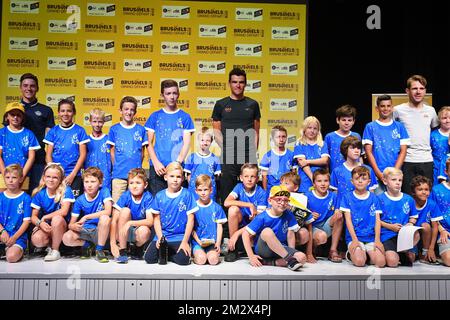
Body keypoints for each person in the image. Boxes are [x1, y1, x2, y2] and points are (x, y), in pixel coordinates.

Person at [212, 68, 261, 204]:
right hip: (228, 156)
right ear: (229, 83)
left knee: (250, 191)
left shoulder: (253, 105)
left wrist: (253, 152)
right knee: (227, 192)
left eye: (241, 82)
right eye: (234, 82)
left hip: (247, 155)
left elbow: (256, 131)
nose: (238, 85)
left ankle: (251, 224)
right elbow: (216, 132)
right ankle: (227, 225)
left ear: (245, 84)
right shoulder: (220, 104)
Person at [145, 80, 195, 196]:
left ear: (178, 94)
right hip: (158, 168)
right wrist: (156, 162)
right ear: (162, 95)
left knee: (178, 203)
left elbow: (186, 143)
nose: (172, 97)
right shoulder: (155, 116)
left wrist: (177, 163)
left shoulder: (185, 117)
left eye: (174, 93)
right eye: (168, 93)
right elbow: (148, 142)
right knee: (157, 202)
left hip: (177, 168)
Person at [143, 162, 199, 265]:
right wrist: (160, 238)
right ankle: (166, 251)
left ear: (182, 179)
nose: (175, 179)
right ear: (165, 177)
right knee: (149, 259)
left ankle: (170, 255)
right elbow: (156, 219)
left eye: (178, 176)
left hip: (180, 236)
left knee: (183, 260)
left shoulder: (187, 194)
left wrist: (185, 241)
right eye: (172, 176)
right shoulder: (159, 196)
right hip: (164, 236)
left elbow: (191, 220)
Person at [242, 185, 306, 270]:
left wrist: (292, 252)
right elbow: (245, 234)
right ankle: (289, 259)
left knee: (302, 257)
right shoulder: (262, 217)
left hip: (281, 249)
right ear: (270, 200)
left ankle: (268, 262)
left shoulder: (289, 214)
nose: (282, 203)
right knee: (267, 231)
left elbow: (290, 234)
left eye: (285, 200)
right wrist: (251, 256)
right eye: (278, 200)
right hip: (264, 250)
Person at [393, 75, 439, 193]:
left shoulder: (431, 111)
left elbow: (437, 132)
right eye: (414, 88)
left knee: (425, 196)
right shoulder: (398, 110)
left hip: (427, 160)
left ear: (425, 91)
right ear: (407, 91)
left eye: (421, 88)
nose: (418, 92)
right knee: (408, 196)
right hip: (407, 160)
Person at [62, 167, 112, 263]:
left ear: (100, 183)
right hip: (85, 230)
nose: (89, 185)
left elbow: (108, 211)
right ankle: (87, 245)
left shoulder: (104, 191)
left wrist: (86, 217)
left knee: (105, 218)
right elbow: (71, 224)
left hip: (100, 231)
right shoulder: (80, 200)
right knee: (66, 238)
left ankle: (99, 250)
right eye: (86, 182)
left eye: (93, 182)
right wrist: (73, 226)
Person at [363, 94, 410, 193]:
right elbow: (368, 152)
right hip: (377, 174)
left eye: (388, 106)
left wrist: (394, 173)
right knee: (379, 202)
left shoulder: (399, 127)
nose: (385, 108)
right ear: (377, 108)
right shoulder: (370, 127)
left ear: (392, 108)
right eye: (382, 106)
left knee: (394, 203)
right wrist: (379, 174)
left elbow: (403, 151)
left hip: (395, 175)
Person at [339, 166, 386, 267]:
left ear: (369, 182)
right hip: (355, 237)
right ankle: (355, 253)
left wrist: (377, 240)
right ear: (352, 181)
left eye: (363, 179)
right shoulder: (347, 197)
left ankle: (366, 254)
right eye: (357, 178)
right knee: (359, 262)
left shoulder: (374, 198)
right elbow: (348, 221)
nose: (360, 181)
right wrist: (354, 240)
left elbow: (377, 221)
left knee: (381, 263)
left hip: (371, 238)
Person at [17, 73, 55, 193]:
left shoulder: (46, 110)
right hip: (18, 160)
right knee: (17, 195)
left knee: (36, 194)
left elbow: (50, 139)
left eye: (32, 86)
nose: (28, 89)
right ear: (20, 87)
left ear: (37, 88)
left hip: (38, 160)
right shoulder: (14, 110)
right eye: (25, 85)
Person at [43, 99, 89, 197]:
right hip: (57, 176)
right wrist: (55, 173)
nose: (65, 113)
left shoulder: (80, 131)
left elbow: (83, 155)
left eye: (69, 111)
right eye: (63, 111)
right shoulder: (53, 131)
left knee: (72, 205)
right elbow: (48, 156)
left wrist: (72, 175)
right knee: (57, 203)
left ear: (74, 112)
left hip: (74, 175)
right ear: (58, 113)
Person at [30, 163, 75, 261]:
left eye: (55, 177)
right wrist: (40, 223)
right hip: (48, 227)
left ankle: (56, 250)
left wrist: (45, 217)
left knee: (56, 219)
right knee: (37, 239)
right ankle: (49, 246)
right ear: (43, 177)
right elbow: (33, 216)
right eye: (48, 176)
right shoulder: (40, 193)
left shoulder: (66, 190)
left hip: (62, 227)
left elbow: (64, 211)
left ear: (60, 179)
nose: (51, 180)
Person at [223, 163, 267, 262]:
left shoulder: (261, 193)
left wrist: (237, 234)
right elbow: (226, 202)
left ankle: (252, 247)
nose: (249, 179)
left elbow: (259, 221)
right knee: (232, 209)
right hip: (242, 225)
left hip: (254, 230)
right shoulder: (239, 187)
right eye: (246, 176)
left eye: (252, 176)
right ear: (241, 178)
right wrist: (249, 205)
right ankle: (233, 249)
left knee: (259, 222)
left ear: (257, 178)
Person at [107, 96, 148, 202]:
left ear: (135, 112)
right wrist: (118, 166)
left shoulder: (141, 129)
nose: (129, 112)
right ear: (120, 111)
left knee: (134, 206)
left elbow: (142, 153)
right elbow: (112, 152)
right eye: (126, 109)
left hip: (136, 177)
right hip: (119, 176)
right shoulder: (114, 129)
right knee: (116, 206)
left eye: (131, 110)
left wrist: (136, 168)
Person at [378, 167, 419, 267]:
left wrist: (410, 223)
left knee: (417, 234)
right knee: (392, 262)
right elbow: (376, 220)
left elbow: (414, 217)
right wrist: (390, 226)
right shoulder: (379, 199)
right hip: (387, 234)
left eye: (400, 180)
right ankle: (395, 253)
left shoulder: (408, 199)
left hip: (403, 235)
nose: (398, 183)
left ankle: (404, 251)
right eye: (394, 180)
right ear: (385, 181)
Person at [113, 168, 153, 264]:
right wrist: (112, 242)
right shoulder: (125, 196)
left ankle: (137, 248)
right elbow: (114, 220)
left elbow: (150, 221)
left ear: (145, 185)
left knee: (145, 231)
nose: (134, 186)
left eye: (138, 183)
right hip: (122, 231)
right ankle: (122, 250)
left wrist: (130, 222)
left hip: (137, 230)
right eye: (131, 183)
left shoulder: (148, 197)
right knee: (125, 211)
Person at [0, 102, 40, 192]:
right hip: (3, 175)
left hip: (23, 176)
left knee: (20, 201)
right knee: (3, 202)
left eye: (18, 115)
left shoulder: (29, 134)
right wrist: (5, 175)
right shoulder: (1, 133)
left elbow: (31, 157)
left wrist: (22, 176)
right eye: (12, 114)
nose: (15, 117)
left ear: (22, 117)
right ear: (7, 117)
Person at [305, 169, 343, 263]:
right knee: (321, 237)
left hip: (326, 225)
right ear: (314, 184)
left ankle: (333, 251)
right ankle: (311, 250)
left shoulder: (333, 196)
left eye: (325, 181)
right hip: (313, 227)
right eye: (319, 181)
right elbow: (302, 219)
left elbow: (337, 212)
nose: (323, 184)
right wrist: (309, 215)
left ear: (329, 183)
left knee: (339, 216)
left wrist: (338, 212)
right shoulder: (307, 196)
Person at [191, 175, 227, 265]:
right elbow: (191, 228)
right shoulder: (193, 207)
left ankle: (210, 255)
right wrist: (198, 241)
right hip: (198, 242)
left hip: (212, 243)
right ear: (196, 191)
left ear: (211, 190)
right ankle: (196, 256)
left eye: (205, 190)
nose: (203, 193)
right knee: (201, 260)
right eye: (200, 190)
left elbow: (219, 227)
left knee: (213, 260)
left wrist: (218, 243)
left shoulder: (217, 208)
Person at [0, 164, 31, 263]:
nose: (10, 180)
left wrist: (14, 237)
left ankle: (16, 250)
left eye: (14, 177)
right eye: (7, 177)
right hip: (2, 232)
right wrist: (2, 231)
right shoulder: (1, 197)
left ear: (21, 179)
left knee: (11, 257)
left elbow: (26, 222)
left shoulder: (26, 198)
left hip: (17, 235)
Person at [293, 116, 329, 193]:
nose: (312, 131)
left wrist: (307, 161)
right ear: (304, 129)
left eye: (315, 128)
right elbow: (303, 164)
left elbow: (325, 161)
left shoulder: (322, 144)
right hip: (305, 183)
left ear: (318, 130)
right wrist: (314, 179)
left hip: (321, 183)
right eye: (309, 128)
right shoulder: (299, 143)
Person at [411, 175, 441, 264]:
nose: (424, 192)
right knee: (410, 259)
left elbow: (435, 228)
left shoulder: (432, 204)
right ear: (413, 191)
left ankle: (425, 253)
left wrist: (431, 249)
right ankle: (414, 252)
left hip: (426, 237)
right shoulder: (409, 202)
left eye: (426, 189)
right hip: (412, 236)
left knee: (426, 225)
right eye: (420, 189)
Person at [184, 127, 221, 201]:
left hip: (210, 193)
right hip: (194, 192)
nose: (205, 142)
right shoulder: (191, 157)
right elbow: (188, 175)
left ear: (211, 141)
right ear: (198, 140)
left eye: (208, 140)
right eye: (202, 140)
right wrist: (194, 187)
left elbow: (217, 177)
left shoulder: (215, 159)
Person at [279, 171, 312, 250]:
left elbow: (306, 218)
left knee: (303, 233)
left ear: (295, 187)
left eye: (286, 183)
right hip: (279, 226)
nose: (282, 186)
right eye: (281, 183)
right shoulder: (276, 196)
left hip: (295, 228)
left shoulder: (302, 198)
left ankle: (292, 251)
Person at [260, 125, 295, 198]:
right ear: (273, 139)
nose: (281, 139)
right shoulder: (267, 156)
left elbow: (294, 174)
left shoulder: (291, 155)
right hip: (272, 192)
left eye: (283, 136)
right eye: (278, 137)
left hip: (287, 192)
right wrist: (265, 192)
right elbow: (264, 177)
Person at [324, 104, 361, 173]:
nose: (346, 123)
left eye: (349, 120)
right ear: (338, 120)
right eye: (344, 120)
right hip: (335, 175)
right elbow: (326, 159)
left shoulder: (357, 136)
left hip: (355, 175)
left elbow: (360, 157)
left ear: (353, 121)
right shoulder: (329, 137)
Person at [86, 108, 112, 191]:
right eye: (94, 121)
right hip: (89, 178)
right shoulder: (85, 140)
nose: (97, 124)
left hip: (105, 179)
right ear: (90, 121)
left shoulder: (109, 140)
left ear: (104, 122)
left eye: (100, 122)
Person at [431, 158, 450, 266]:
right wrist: (441, 230)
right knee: (448, 260)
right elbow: (433, 215)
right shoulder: (436, 190)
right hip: (444, 232)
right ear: (446, 172)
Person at [430, 106, 450, 185]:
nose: (447, 121)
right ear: (439, 119)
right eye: (444, 118)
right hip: (435, 170)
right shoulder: (433, 135)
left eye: (449, 118)